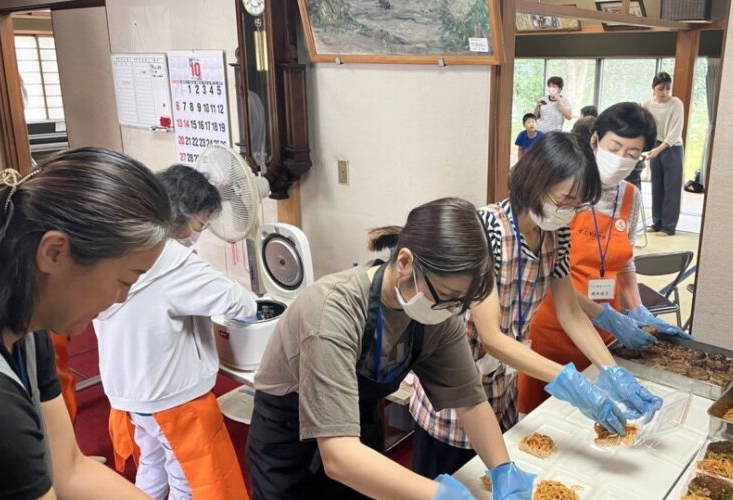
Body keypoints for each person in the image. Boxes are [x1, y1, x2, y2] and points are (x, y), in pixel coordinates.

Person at [409, 132, 662, 478]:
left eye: (578, 204)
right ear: (534, 181)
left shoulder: (556, 233)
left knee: (495, 478)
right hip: (455, 394)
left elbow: (569, 310)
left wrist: (611, 370)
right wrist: (571, 383)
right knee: (451, 483)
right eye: (565, 200)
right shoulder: (488, 231)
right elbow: (492, 337)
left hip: (502, 386)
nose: (570, 212)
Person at [247, 197, 536, 499]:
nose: (453, 311)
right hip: (290, 444)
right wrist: (442, 496)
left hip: (357, 429)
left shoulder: (438, 310)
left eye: (460, 302)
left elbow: (470, 401)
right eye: (448, 295)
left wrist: (503, 469)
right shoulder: (330, 311)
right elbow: (338, 456)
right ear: (405, 263)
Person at [0, 147, 173, 499]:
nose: (122, 297)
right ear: (55, 253)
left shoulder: (27, 321)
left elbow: (69, 469)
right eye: (125, 279)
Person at [94, 164, 257, 500]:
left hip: (127, 393)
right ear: (185, 213)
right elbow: (242, 304)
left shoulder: (117, 243)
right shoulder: (176, 262)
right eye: (203, 220)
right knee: (187, 478)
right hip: (173, 398)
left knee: (152, 464)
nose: (203, 228)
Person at [520, 103, 692, 413]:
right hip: (554, 325)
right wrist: (604, 314)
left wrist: (635, 308)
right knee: (543, 419)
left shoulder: (630, 196)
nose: (622, 158)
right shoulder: (560, 199)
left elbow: (623, 259)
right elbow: (544, 275)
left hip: (601, 331)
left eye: (632, 154)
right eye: (616, 147)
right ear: (596, 141)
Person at [643, 72, 685, 237]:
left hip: (672, 148)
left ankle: (668, 227)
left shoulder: (676, 103)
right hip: (655, 145)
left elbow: (675, 132)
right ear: (654, 88)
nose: (665, 92)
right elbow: (644, 125)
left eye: (668, 88)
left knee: (671, 189)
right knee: (657, 187)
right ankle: (657, 222)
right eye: (661, 89)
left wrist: (658, 150)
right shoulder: (647, 104)